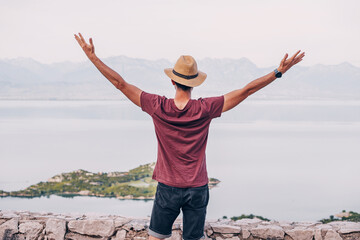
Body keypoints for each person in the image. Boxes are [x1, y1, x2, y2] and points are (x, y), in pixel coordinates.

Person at [74, 33, 305, 240]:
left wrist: (93, 58)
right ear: (194, 84)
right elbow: (246, 90)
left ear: (172, 81)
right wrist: (277, 72)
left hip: (168, 187)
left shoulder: (157, 106)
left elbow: (120, 84)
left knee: (155, 238)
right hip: (197, 188)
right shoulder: (205, 108)